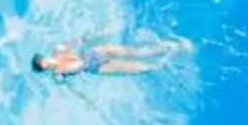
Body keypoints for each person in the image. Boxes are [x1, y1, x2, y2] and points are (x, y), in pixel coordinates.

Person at [33, 35, 192, 79]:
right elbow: (73, 90)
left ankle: (172, 46)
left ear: (44, 57)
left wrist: (99, 33)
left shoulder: (59, 49)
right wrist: (88, 102)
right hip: (95, 68)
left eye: (43, 62)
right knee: (137, 69)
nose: (45, 64)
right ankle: (168, 64)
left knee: (135, 52)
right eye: (43, 67)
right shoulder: (58, 75)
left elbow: (78, 40)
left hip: (97, 52)